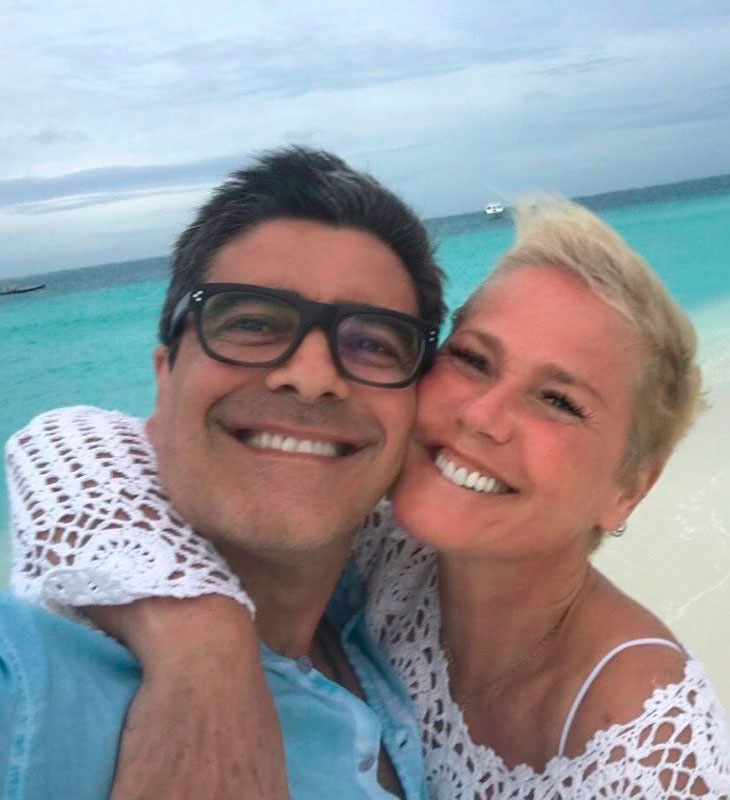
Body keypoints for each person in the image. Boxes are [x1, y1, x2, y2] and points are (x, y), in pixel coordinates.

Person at [8, 197, 730, 798]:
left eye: (559, 401)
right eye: (472, 359)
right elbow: (72, 441)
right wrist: (203, 644)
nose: (482, 415)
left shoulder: (648, 752)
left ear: (630, 488)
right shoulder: (378, 545)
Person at [1, 145, 449, 800]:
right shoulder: (31, 687)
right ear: (164, 380)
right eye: (252, 322)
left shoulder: (393, 620)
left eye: (373, 342)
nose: (311, 376)